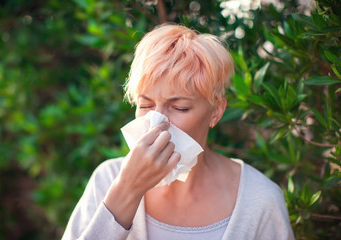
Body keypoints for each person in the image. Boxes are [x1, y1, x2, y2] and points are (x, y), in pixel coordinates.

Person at [62, 24, 295, 240]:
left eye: (179, 107)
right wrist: (127, 190)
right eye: (145, 105)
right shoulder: (107, 180)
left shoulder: (260, 200)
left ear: (216, 111)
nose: (157, 122)